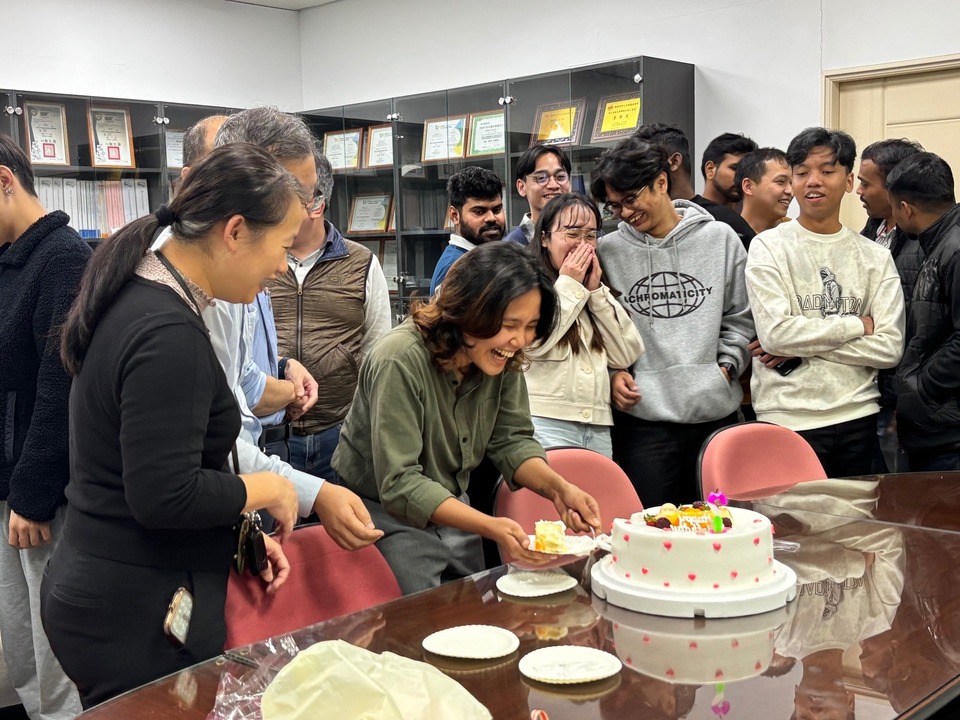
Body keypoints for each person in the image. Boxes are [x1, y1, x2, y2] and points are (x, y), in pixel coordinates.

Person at [41, 144, 302, 707]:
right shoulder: (167, 334)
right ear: (234, 231)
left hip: (118, 586)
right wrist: (269, 487)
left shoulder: (146, 296)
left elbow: (161, 461)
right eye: (281, 247)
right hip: (131, 606)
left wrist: (242, 530)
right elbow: (163, 494)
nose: (283, 266)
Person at [333, 242, 601, 594]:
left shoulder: (500, 357)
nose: (519, 340)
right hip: (381, 519)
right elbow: (399, 484)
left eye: (531, 326)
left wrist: (559, 489)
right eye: (509, 324)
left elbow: (512, 440)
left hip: (453, 510)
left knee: (474, 615)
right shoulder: (398, 359)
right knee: (416, 626)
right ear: (469, 310)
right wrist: (492, 526)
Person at [168, 109, 380, 547]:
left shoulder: (232, 270)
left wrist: (284, 372)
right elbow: (200, 454)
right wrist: (308, 492)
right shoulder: (188, 297)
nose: (305, 214)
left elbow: (238, 379)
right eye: (296, 195)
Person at [591, 139, 753, 506]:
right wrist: (615, 373)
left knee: (720, 529)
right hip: (643, 422)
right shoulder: (608, 251)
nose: (624, 213)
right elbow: (598, 328)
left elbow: (741, 317)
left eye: (631, 199)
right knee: (656, 531)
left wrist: (727, 364)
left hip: (715, 416)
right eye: (614, 206)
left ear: (661, 182)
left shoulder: (720, 239)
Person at [745, 127, 904, 477]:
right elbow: (774, 336)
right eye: (801, 173)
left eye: (826, 171)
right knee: (792, 529)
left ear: (848, 181)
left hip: (857, 418)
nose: (812, 181)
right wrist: (855, 325)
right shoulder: (768, 247)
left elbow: (889, 348)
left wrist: (802, 347)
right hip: (785, 419)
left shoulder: (875, 257)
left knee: (859, 528)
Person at [0, 133, 85, 719]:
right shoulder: (6, 261)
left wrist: (31, 496)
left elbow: (61, 389)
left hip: (38, 499)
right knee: (18, 638)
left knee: (52, 642)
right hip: (6, 489)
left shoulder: (63, 259)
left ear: (5, 182)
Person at [272, 148, 392, 482]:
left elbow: (378, 351)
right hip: (269, 435)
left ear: (316, 204)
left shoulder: (362, 262)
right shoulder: (259, 260)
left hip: (340, 435)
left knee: (340, 530)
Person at [525, 193, 643, 457]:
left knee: (596, 497)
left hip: (598, 425)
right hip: (545, 422)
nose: (583, 245)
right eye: (572, 233)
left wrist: (597, 293)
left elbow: (627, 352)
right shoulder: (526, 284)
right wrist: (569, 285)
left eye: (590, 236)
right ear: (544, 238)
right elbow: (531, 346)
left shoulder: (592, 290)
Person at [888, 152, 960, 471]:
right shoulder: (938, 242)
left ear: (905, 208)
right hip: (937, 426)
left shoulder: (954, 249)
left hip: (948, 434)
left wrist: (919, 387)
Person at [633, 124, 756, 247]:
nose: (640, 173)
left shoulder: (725, 223)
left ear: (674, 162)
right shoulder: (638, 226)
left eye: (647, 163)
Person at [428, 166, 506, 294]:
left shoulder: (486, 256)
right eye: (479, 212)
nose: (491, 218)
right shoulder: (456, 269)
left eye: (497, 210)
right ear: (455, 215)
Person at [504, 144, 572, 246]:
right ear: (522, 187)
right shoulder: (510, 248)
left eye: (560, 176)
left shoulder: (588, 235)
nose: (553, 185)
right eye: (541, 178)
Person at [735, 147, 793, 234]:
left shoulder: (797, 232)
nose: (791, 191)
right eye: (780, 182)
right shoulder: (730, 236)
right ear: (748, 186)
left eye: (792, 183)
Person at [699, 132, 758, 209]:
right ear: (710, 169)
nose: (743, 177)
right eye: (735, 168)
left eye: (748, 171)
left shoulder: (754, 217)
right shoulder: (686, 216)